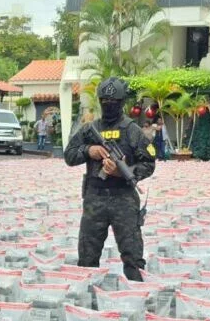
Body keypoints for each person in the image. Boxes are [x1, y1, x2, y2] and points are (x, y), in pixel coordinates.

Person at [64, 77, 156, 282]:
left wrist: (122, 171)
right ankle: (87, 295)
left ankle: (135, 293)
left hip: (124, 199)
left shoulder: (132, 130)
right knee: (87, 256)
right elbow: (69, 155)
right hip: (94, 198)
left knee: (133, 257)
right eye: (104, 101)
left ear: (122, 102)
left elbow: (148, 164)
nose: (108, 104)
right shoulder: (90, 129)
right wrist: (89, 150)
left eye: (113, 101)